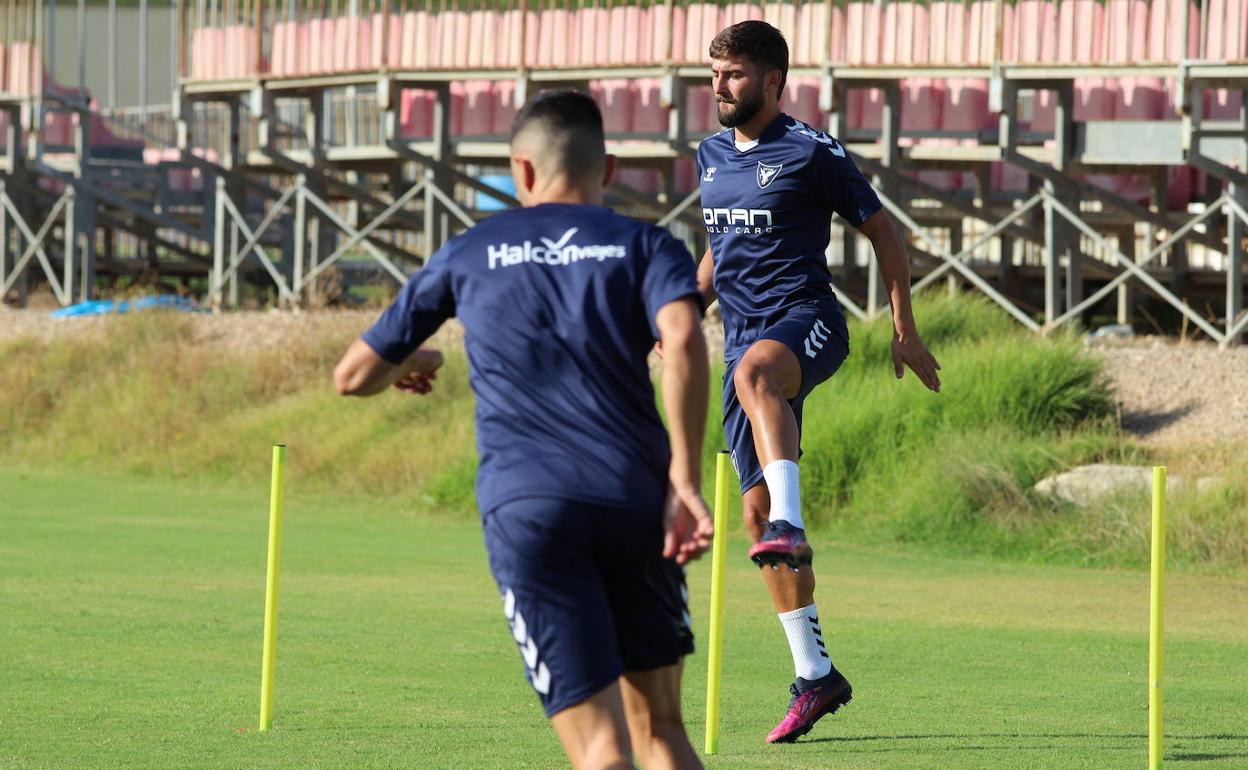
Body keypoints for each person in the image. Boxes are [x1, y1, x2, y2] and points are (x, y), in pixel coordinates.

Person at [333, 90, 713, 770]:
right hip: (636, 502)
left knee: (600, 748)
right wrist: (684, 477)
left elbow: (353, 375)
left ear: (522, 172)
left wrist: (412, 362)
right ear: (610, 167)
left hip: (530, 507)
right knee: (660, 734)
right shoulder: (646, 243)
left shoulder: (470, 250)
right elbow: (682, 337)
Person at [695, 21, 943, 744]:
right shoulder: (710, 155)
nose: (718, 86)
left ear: (773, 81)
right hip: (743, 353)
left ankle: (790, 523)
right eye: (713, 74)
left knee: (758, 375)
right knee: (750, 515)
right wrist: (676, 312)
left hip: (808, 322)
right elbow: (718, 256)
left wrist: (904, 327)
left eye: (734, 74)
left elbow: (884, 232)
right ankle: (815, 675)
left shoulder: (811, 150)